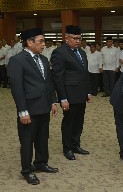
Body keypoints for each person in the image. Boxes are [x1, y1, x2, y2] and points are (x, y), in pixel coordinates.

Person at [8, 28, 59, 185]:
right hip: (29, 109)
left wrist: (53, 101)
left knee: (43, 137)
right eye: (41, 41)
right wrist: (22, 111)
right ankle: (27, 170)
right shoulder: (17, 60)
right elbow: (17, 89)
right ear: (29, 42)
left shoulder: (43, 59)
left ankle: (41, 163)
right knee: (27, 140)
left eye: (44, 41)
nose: (44, 44)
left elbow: (48, 82)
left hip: (44, 106)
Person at [50, 25, 91, 160]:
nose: (78, 41)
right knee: (69, 122)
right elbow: (58, 77)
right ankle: (67, 148)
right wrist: (62, 98)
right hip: (69, 95)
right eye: (74, 38)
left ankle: (75, 144)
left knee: (79, 121)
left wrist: (88, 92)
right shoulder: (59, 53)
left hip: (81, 94)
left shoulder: (82, 52)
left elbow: (85, 74)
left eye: (79, 38)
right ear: (66, 38)